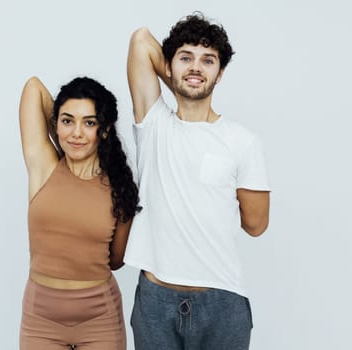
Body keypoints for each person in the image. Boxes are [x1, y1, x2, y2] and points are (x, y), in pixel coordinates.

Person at [123, 13, 271, 350]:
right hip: (155, 302)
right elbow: (140, 39)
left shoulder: (243, 141)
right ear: (169, 65)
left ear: (220, 74)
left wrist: (188, 72)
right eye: (185, 58)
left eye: (208, 61)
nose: (196, 67)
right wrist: (183, 78)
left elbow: (256, 224)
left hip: (222, 302)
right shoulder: (154, 123)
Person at [18, 76, 140, 350]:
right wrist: (63, 133)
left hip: (100, 318)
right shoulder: (45, 167)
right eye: (67, 120)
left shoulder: (119, 189)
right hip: (41, 319)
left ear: (105, 129)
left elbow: (116, 261)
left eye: (89, 123)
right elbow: (33, 88)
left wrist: (69, 127)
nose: (76, 133)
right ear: (55, 124)